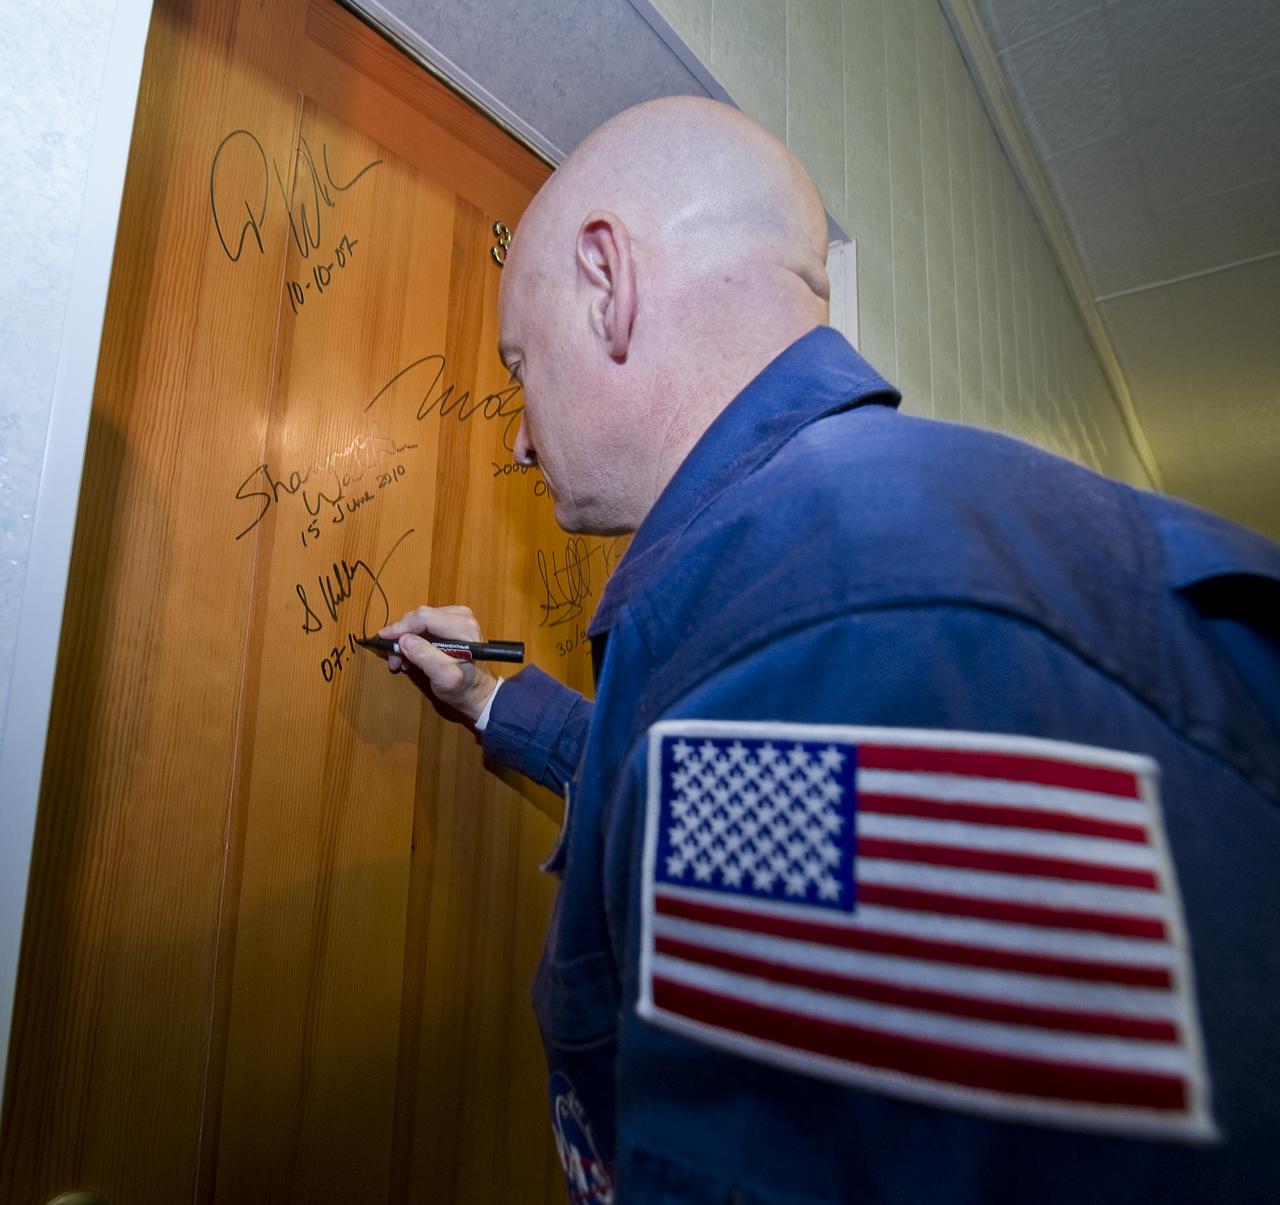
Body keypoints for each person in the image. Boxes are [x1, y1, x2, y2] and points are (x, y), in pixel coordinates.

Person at [380, 97, 1280, 1203]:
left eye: (520, 359)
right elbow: (743, 803)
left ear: (608, 283)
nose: (517, 432)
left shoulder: (831, 626)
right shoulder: (842, 567)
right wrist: (487, 699)